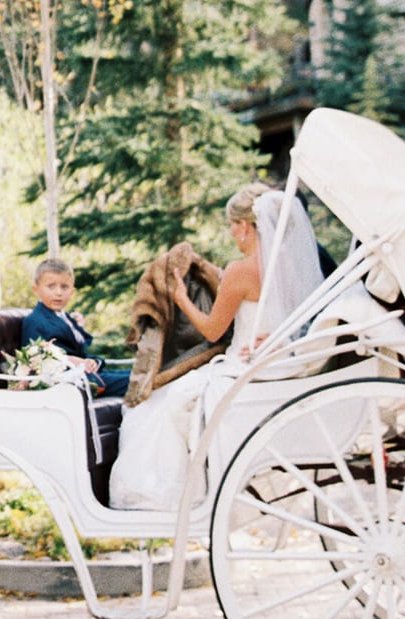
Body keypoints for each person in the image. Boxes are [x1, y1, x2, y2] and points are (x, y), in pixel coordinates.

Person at [111, 183, 323, 510]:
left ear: (243, 226)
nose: (231, 234)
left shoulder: (242, 271)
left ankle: (166, 495)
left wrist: (182, 298)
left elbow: (212, 331)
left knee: (160, 404)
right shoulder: (288, 266)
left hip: (243, 365)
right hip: (276, 359)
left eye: (232, 226)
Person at [22, 258, 129, 397]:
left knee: (140, 373)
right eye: (51, 286)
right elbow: (35, 358)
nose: (58, 293)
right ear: (36, 290)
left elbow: (81, 349)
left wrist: (94, 361)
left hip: (86, 375)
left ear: (72, 292)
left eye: (64, 287)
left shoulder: (65, 317)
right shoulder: (35, 320)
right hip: (69, 384)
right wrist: (71, 360)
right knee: (138, 380)